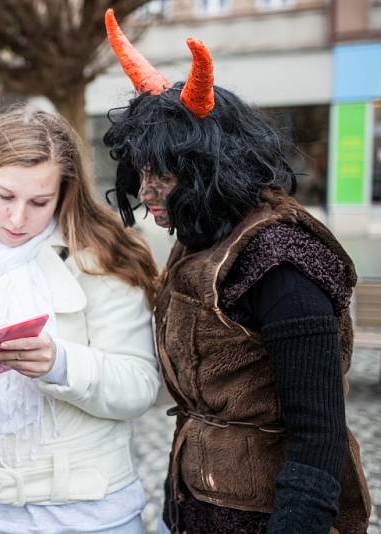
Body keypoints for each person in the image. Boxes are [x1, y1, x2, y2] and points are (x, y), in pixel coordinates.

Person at [101, 9, 371, 534]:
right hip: (194, 502)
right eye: (142, 172)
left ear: (212, 166)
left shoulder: (283, 260)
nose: (148, 190)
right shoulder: (201, 235)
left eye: (166, 173)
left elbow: (319, 434)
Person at [0, 106, 161, 534]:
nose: (18, 219)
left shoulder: (107, 259)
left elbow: (138, 387)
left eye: (39, 202)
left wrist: (59, 363)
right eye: (5, 196)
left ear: (65, 191)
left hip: (90, 517)